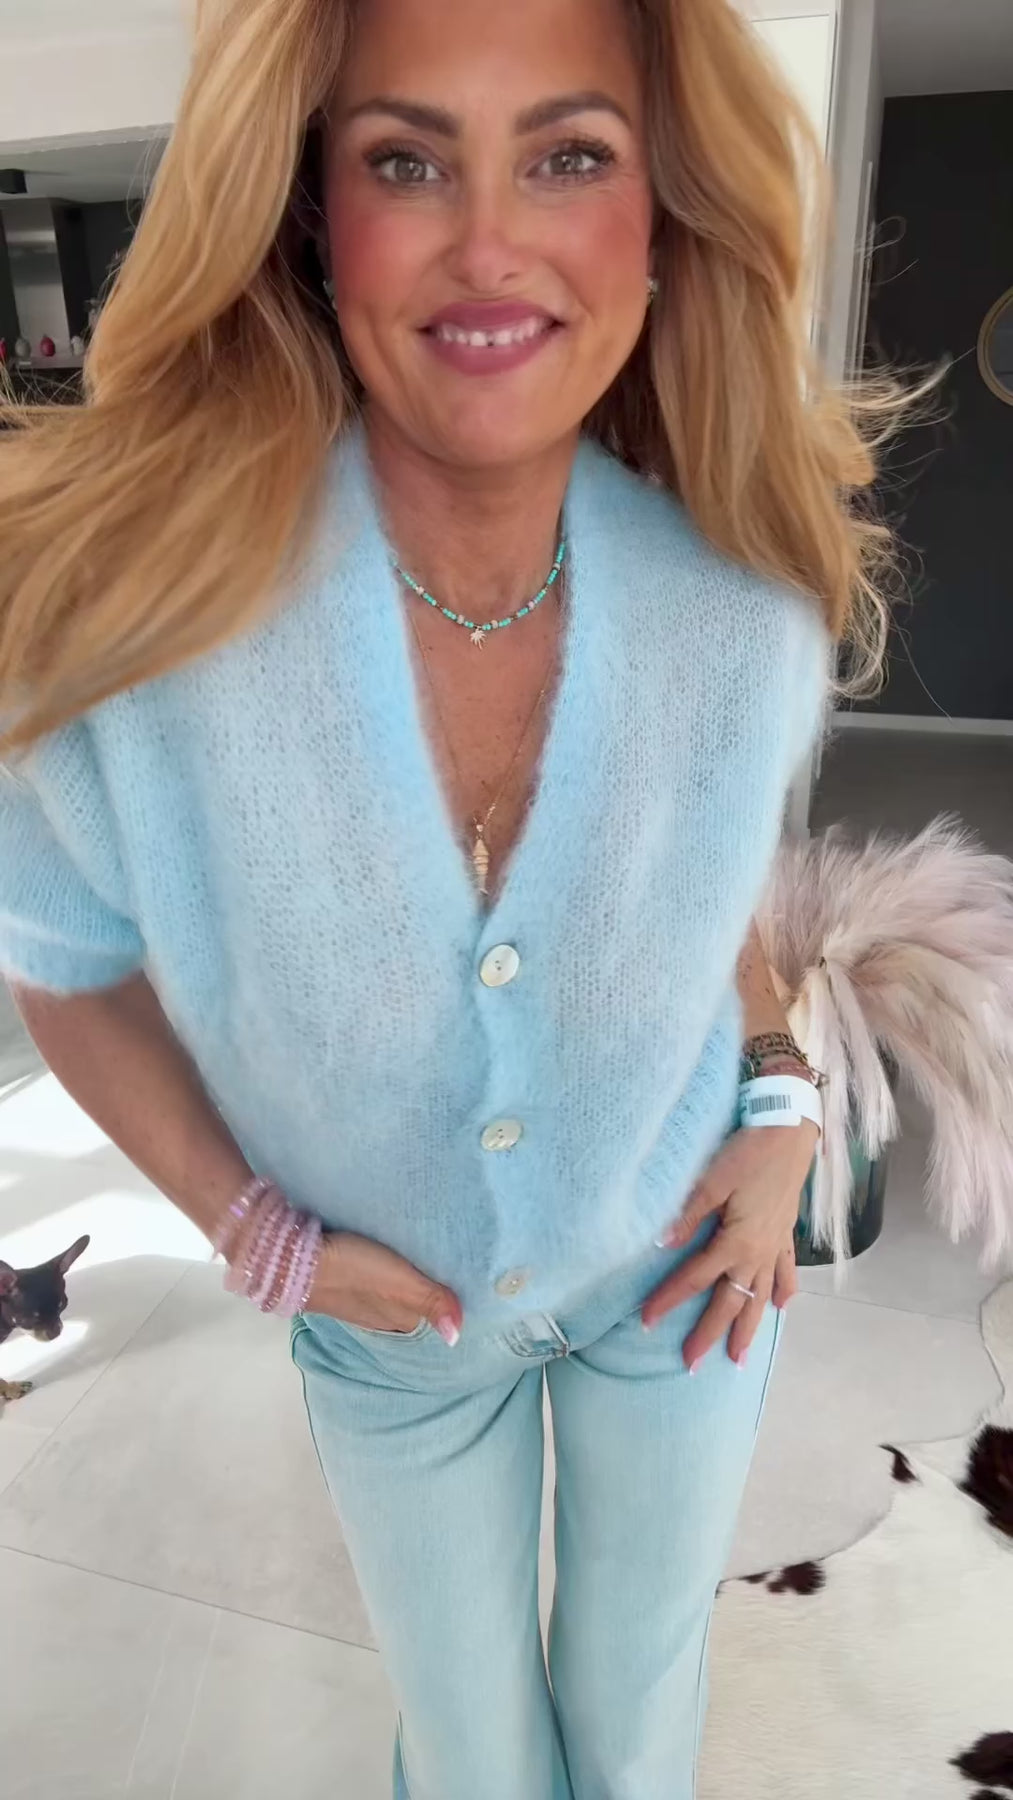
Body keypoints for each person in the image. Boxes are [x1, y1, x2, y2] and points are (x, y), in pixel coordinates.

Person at [0, 0, 891, 1794]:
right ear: (313, 218)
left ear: (659, 219)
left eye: (568, 156)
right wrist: (255, 1228)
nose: (489, 241)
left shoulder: (740, 608)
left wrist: (779, 1101)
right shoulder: (147, 631)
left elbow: (695, 899)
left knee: (636, 1721)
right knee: (471, 1755)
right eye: (406, 161)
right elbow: (68, 969)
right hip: (387, 1320)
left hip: (678, 1279)